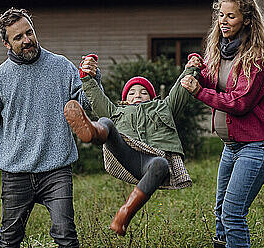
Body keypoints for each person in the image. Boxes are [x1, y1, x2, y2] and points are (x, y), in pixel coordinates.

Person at [0, 8, 101, 248]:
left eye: (29, 32)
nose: (27, 40)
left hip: (56, 170)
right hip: (15, 174)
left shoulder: (61, 66)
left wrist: (91, 79)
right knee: (10, 240)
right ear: (6, 43)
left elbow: (85, 107)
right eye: (18, 37)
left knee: (66, 235)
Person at [180, 0, 264, 248]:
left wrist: (199, 91)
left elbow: (239, 103)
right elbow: (212, 79)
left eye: (231, 17)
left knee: (233, 214)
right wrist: (197, 68)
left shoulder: (258, 59)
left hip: (259, 145)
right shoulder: (220, 51)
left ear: (247, 20)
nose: (223, 21)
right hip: (232, 146)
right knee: (220, 213)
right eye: (221, 15)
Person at [63, 53, 197, 236]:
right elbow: (97, 98)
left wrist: (192, 67)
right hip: (126, 154)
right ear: (125, 99)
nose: (138, 96)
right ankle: (92, 132)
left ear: (152, 97)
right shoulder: (118, 111)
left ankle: (124, 214)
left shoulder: (164, 107)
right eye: (132, 93)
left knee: (161, 164)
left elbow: (180, 89)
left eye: (143, 93)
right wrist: (87, 78)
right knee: (107, 121)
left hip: (150, 160)